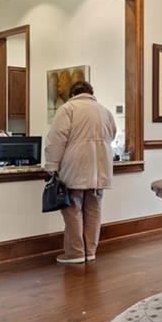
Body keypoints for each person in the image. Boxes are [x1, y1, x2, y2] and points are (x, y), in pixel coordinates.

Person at [44, 81, 117, 265]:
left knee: (72, 209)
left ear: (72, 94)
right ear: (91, 93)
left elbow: (56, 140)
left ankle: (75, 253)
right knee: (94, 209)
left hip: (75, 165)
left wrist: (52, 165)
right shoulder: (104, 111)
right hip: (101, 167)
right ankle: (90, 251)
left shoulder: (68, 109)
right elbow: (112, 135)